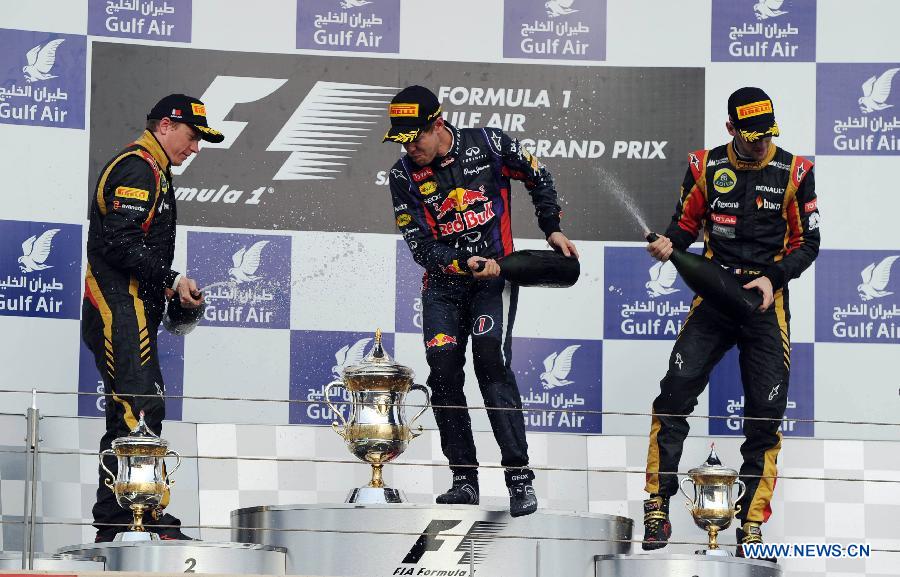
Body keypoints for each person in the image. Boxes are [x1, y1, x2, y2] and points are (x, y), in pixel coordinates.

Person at [383, 86, 578, 517]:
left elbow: (537, 174)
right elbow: (421, 247)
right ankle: (464, 479)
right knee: (444, 370)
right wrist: (462, 261)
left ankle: (519, 478)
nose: (409, 148)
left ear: (438, 125)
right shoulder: (402, 177)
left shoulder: (489, 144)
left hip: (496, 279)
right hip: (443, 285)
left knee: (491, 361)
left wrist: (551, 228)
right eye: (401, 141)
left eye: (415, 138)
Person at [642, 87, 819, 557]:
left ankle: (750, 524)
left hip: (766, 304)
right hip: (715, 296)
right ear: (731, 130)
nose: (761, 144)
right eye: (751, 136)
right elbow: (684, 225)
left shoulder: (797, 172)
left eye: (767, 135)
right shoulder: (705, 166)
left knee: (766, 415)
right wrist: (668, 242)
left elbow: (809, 244)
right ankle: (657, 504)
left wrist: (773, 278)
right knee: (674, 393)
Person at [83, 94, 223, 541]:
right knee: (137, 412)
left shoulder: (153, 169)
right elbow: (118, 244)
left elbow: (130, 248)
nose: (195, 147)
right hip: (117, 308)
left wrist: (167, 287)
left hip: (132, 307)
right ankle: (136, 519)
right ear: (166, 126)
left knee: (138, 410)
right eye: (192, 135)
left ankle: (118, 519)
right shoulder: (138, 167)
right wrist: (171, 275)